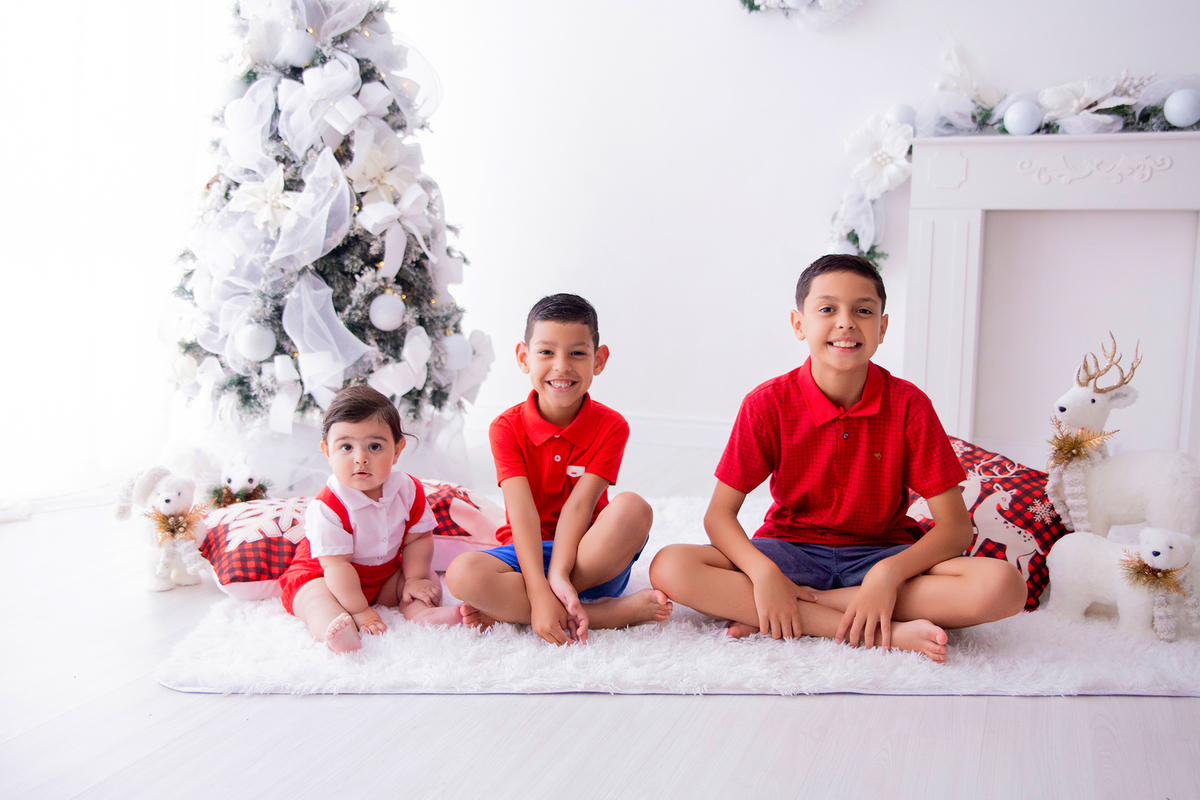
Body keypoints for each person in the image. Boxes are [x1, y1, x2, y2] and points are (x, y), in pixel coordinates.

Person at [649, 255, 1027, 662]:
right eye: (827, 309)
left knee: (1004, 584)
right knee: (671, 565)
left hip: (882, 554)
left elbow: (954, 528)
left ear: (882, 327)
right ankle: (881, 631)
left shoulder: (909, 406)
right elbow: (718, 516)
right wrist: (764, 575)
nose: (846, 322)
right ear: (799, 325)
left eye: (863, 311)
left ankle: (804, 609)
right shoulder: (767, 404)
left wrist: (886, 576)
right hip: (789, 552)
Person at [446, 293, 672, 645]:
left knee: (632, 508)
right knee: (462, 574)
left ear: (599, 360)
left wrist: (561, 576)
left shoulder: (612, 426)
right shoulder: (505, 428)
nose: (561, 367)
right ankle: (606, 615)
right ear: (524, 358)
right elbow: (521, 513)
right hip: (525, 554)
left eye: (577, 353)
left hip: (589, 558)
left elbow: (580, 507)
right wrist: (537, 589)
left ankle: (519, 606)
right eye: (546, 352)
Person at [278, 384, 479, 653]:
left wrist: (415, 578)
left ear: (397, 450)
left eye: (374, 446)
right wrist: (360, 611)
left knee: (423, 576)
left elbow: (418, 538)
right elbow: (336, 567)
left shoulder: (408, 490)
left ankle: (421, 613)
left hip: (382, 574)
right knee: (316, 600)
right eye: (346, 447)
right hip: (325, 575)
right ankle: (335, 632)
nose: (360, 459)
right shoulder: (327, 506)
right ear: (328, 452)